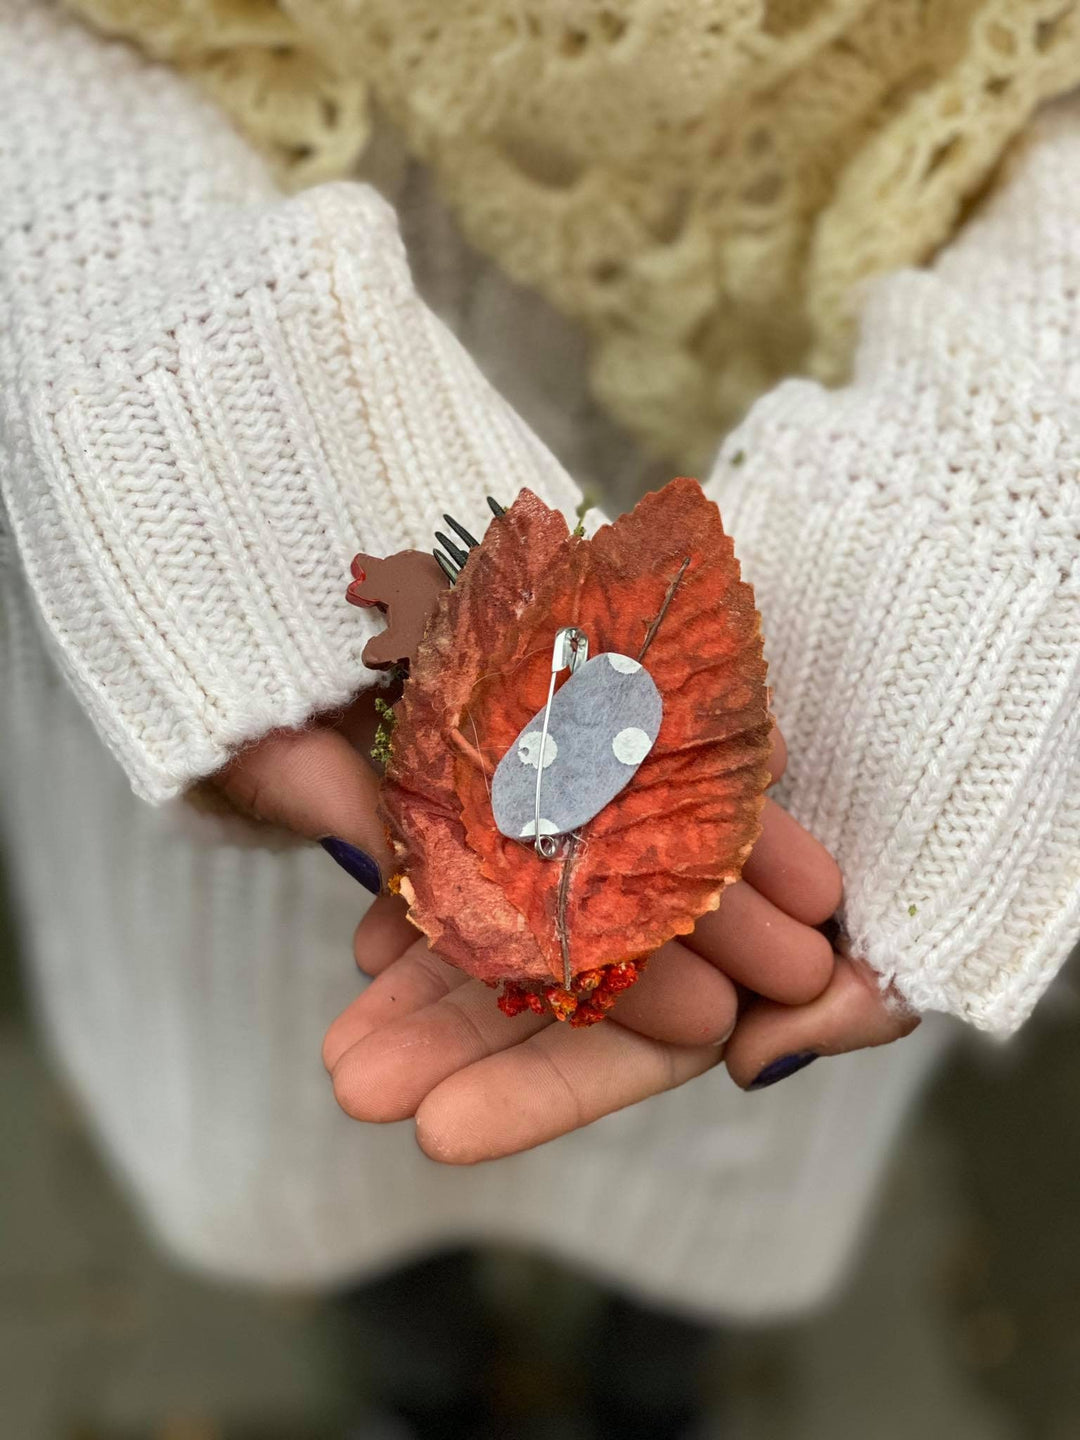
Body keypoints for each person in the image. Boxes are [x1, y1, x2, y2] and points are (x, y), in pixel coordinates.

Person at [1, 0, 1077, 1321]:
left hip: (827, 435)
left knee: (713, 1072)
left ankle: (647, 1348)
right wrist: (119, 289)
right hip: (273, 462)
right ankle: (410, 1333)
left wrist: (1027, 454)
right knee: (317, 1109)